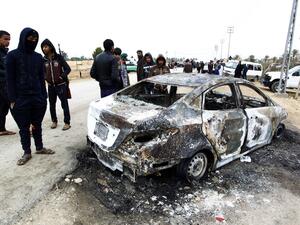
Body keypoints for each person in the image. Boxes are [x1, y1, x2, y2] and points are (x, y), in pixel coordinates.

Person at [6, 27, 55, 165]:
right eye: (30, 39)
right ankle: (26, 152)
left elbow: (41, 78)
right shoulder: (12, 56)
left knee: (37, 124)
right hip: (20, 99)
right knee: (24, 127)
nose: (33, 41)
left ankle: (39, 148)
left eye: (35, 39)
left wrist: (43, 96)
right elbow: (9, 79)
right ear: (23, 38)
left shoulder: (38, 57)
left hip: (37, 97)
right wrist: (12, 100)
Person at [41, 39, 71, 130]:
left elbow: (67, 69)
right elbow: (42, 72)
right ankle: (54, 121)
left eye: (46, 46)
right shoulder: (43, 60)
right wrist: (46, 77)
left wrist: (61, 77)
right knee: (51, 105)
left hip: (61, 85)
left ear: (50, 47)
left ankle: (67, 122)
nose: (44, 48)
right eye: (42, 47)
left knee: (64, 104)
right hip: (51, 86)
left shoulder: (58, 57)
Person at [0, 30, 16, 136]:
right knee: (14, 105)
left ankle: (1, 129)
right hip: (2, 84)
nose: (8, 41)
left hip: (5, 84)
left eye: (9, 39)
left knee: (3, 108)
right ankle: (26, 129)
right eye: (5, 39)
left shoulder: (5, 53)